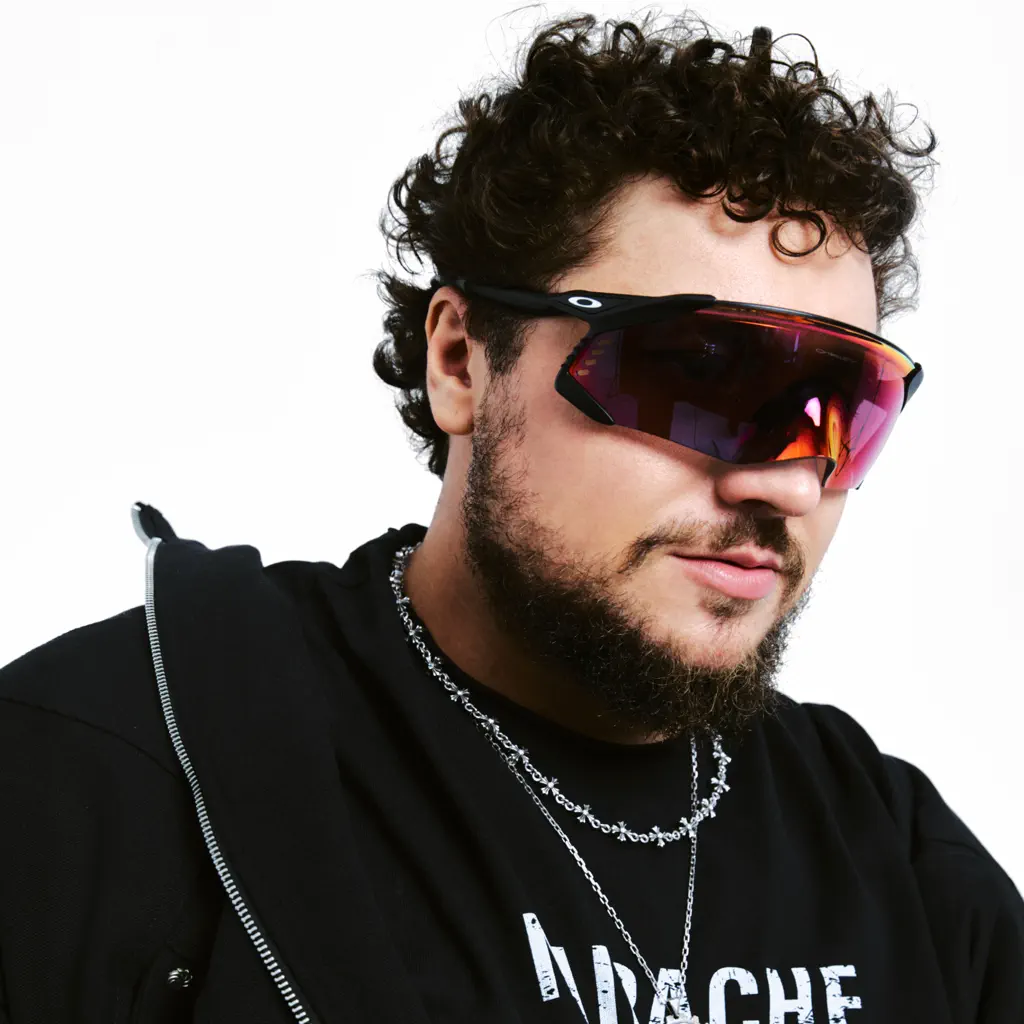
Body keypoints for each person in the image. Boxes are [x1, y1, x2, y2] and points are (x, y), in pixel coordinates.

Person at [0, 13, 1020, 1024]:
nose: (790, 485)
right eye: (696, 377)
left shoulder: (901, 866)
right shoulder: (99, 773)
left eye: (841, 409)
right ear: (461, 361)